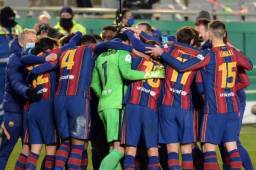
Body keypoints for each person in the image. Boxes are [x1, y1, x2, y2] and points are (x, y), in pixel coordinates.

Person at [147, 20, 253, 169]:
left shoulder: (209, 55)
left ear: (210, 34)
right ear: (224, 35)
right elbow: (249, 64)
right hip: (232, 107)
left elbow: (182, 66)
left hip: (215, 108)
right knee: (232, 146)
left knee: (208, 148)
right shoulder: (234, 53)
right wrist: (230, 47)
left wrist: (162, 53)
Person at [91, 33, 165, 170]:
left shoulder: (100, 57)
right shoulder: (123, 53)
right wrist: (153, 74)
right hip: (117, 104)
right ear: (125, 42)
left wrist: (104, 95)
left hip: (103, 105)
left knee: (113, 148)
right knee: (119, 150)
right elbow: (127, 74)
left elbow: (94, 84)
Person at [0, 29, 37, 170]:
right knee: (5, 151)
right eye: (30, 41)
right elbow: (16, 83)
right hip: (14, 112)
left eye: (35, 41)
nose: (33, 44)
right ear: (21, 43)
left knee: (27, 151)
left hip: (28, 111)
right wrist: (28, 91)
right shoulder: (14, 59)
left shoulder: (35, 58)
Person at [0, 6, 23, 124]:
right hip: (1, 69)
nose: (12, 22)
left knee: (15, 95)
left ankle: (12, 123)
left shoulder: (17, 27)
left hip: (16, 68)